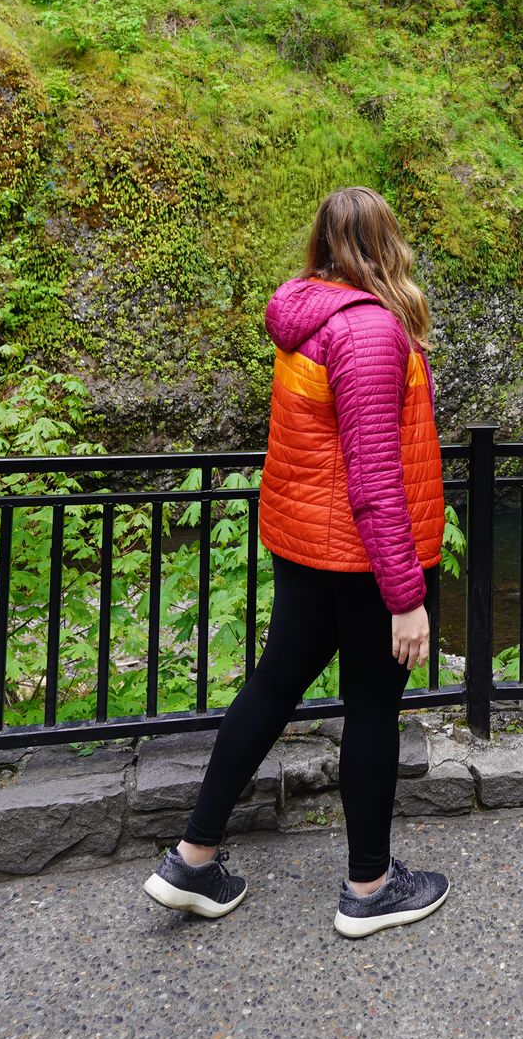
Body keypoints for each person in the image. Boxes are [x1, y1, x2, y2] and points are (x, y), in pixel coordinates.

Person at [143, 186, 449, 940]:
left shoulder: (304, 318)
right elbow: (375, 476)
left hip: (305, 545)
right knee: (372, 708)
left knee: (275, 685)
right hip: (363, 558)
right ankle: (370, 888)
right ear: (385, 243)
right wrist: (405, 594)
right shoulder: (370, 332)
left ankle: (192, 860)